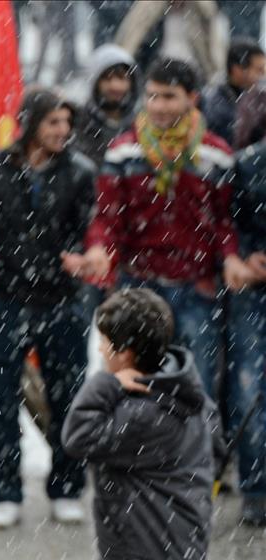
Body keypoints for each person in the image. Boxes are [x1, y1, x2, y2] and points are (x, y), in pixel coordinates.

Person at [0, 88, 95, 528]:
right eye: (53, 122)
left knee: (68, 398)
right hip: (9, 301)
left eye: (67, 123)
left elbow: (90, 229)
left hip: (62, 301)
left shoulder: (80, 171)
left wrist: (80, 254)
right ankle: (4, 493)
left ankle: (67, 488)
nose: (62, 131)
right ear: (31, 124)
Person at [73, 58, 250, 397]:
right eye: (152, 96)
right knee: (133, 389)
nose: (158, 105)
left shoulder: (216, 155)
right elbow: (108, 217)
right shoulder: (124, 150)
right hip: (137, 287)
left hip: (195, 289)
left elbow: (225, 221)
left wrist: (231, 258)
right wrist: (98, 249)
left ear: (192, 98)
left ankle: (198, 451)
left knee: (196, 393)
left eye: (169, 97)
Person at [63, 288, 215, 560]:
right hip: (158, 553)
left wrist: (105, 383)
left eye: (104, 343)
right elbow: (214, 438)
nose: (100, 349)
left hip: (154, 558)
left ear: (125, 353)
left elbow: (78, 436)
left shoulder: (145, 413)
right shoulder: (177, 389)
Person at [227, 93, 266, 525]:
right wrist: (244, 255)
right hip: (252, 290)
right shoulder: (248, 164)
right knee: (249, 389)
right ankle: (256, 487)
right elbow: (227, 221)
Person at [73, 44, 139, 167]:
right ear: (94, 82)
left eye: (121, 77)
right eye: (107, 79)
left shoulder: (141, 124)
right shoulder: (77, 124)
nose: (115, 85)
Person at [201, 38, 265, 147]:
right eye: (259, 70)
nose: (263, 75)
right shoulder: (219, 107)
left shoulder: (250, 95)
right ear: (237, 70)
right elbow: (234, 147)